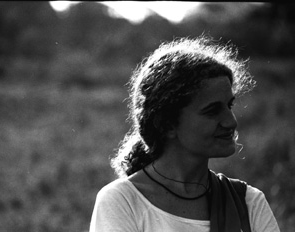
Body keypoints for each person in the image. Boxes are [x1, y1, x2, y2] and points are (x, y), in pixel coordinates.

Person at [89, 35, 280, 232]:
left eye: (229, 105)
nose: (231, 121)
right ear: (167, 124)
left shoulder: (248, 202)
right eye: (212, 110)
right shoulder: (123, 202)